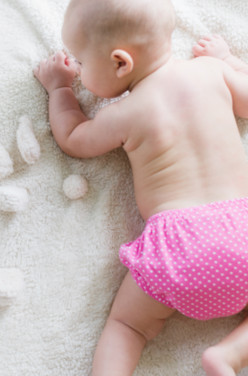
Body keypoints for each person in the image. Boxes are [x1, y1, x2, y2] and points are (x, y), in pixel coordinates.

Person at [34, 0, 248, 374]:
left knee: (128, 327)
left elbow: (73, 138)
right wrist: (227, 59)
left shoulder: (124, 113)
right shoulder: (211, 72)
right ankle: (230, 354)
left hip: (180, 247)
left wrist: (59, 90)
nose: (78, 71)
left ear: (121, 63)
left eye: (82, 64)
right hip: (241, 231)